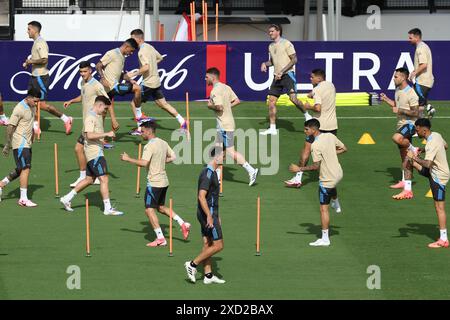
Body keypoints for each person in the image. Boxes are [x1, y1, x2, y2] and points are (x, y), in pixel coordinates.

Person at [120, 119, 191, 247]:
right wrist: (159, 162)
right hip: (164, 181)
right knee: (161, 208)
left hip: (154, 183)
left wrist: (128, 159)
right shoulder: (163, 142)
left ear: (148, 131)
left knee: (149, 210)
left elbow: (143, 163)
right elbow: (173, 157)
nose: (141, 134)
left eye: (142, 131)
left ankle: (160, 238)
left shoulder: (149, 146)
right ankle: (183, 223)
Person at [60, 96, 123, 216]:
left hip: (95, 151)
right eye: (104, 108)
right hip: (95, 154)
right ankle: (107, 208)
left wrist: (102, 141)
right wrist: (107, 133)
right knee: (104, 179)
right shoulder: (90, 117)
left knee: (89, 179)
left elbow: (94, 134)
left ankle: (67, 198)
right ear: (99, 105)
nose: (105, 111)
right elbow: (88, 135)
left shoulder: (96, 116)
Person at [289, 119, 347, 246]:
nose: (305, 132)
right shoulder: (330, 136)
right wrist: (330, 153)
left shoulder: (315, 145)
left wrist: (299, 169)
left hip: (327, 179)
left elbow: (315, 166)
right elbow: (344, 148)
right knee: (333, 185)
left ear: (313, 130)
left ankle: (325, 239)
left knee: (323, 210)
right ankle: (336, 202)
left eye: (306, 129)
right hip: (338, 173)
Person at [64, 61, 118, 187]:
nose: (82, 74)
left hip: (94, 124)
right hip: (86, 124)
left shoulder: (96, 85)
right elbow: (83, 97)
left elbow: (107, 101)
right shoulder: (83, 83)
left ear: (90, 71)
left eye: (84, 71)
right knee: (84, 149)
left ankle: (89, 177)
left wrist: (113, 120)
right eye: (80, 72)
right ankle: (93, 176)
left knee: (82, 149)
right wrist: (71, 101)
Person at [205, 67, 258, 186]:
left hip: (224, 126)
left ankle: (251, 170)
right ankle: (217, 180)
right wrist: (227, 107)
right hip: (225, 124)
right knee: (219, 152)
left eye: (207, 77)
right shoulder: (226, 87)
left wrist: (210, 106)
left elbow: (219, 107)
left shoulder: (215, 91)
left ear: (213, 77)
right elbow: (237, 101)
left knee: (230, 152)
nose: (205, 79)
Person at [128, 29, 187, 135]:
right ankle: (182, 122)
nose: (131, 42)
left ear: (138, 39)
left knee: (134, 103)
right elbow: (160, 58)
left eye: (132, 39)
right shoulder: (150, 47)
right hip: (156, 81)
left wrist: (132, 74)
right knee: (163, 104)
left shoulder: (142, 51)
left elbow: (146, 67)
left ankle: (140, 129)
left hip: (148, 83)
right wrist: (152, 64)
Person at [285, 69, 338, 188]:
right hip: (333, 126)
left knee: (306, 150)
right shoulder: (331, 85)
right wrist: (311, 93)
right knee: (329, 152)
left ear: (319, 79)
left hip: (318, 127)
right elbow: (321, 94)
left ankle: (298, 177)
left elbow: (318, 108)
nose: (310, 78)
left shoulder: (317, 90)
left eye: (312, 77)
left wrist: (308, 106)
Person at [259, 24, 311, 136]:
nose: (270, 33)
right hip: (276, 77)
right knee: (271, 102)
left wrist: (282, 71)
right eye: (269, 32)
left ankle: (306, 115)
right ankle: (272, 128)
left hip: (287, 75)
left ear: (278, 31)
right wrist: (265, 64)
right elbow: (272, 61)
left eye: (272, 31)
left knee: (293, 99)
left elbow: (294, 59)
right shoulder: (271, 46)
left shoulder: (287, 43)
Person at [23, 21, 73, 135]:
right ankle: (36, 127)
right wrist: (28, 63)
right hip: (35, 76)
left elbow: (44, 59)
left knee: (42, 104)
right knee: (30, 101)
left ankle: (66, 119)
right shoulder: (36, 42)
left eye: (29, 29)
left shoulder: (41, 42)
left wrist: (31, 61)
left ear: (35, 30)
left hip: (40, 77)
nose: (27, 31)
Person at [185, 147, 226, 284]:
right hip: (207, 213)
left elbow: (212, 197)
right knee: (219, 245)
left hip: (209, 213)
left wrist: (216, 215)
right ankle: (192, 264)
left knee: (207, 243)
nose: (224, 159)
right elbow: (201, 196)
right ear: (216, 157)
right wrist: (210, 215)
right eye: (223, 156)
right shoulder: (207, 173)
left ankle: (208, 276)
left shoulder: (213, 172)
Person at [406, 118, 449, 248]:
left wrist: (415, 157)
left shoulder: (432, 143)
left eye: (417, 129)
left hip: (438, 176)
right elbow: (445, 146)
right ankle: (407, 189)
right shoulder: (436, 135)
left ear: (424, 129)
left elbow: (427, 163)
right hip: (433, 171)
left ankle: (444, 239)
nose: (416, 132)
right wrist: (422, 150)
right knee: (411, 162)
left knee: (439, 207)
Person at [380, 67, 421, 200]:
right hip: (400, 124)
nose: (394, 78)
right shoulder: (398, 90)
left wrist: (400, 110)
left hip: (410, 125)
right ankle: (406, 186)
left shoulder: (411, 93)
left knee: (396, 138)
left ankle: (413, 148)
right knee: (405, 158)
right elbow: (396, 106)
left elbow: (416, 113)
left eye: (396, 76)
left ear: (403, 78)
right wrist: (387, 100)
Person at [0, 88, 41, 207]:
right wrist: (8, 145)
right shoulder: (19, 109)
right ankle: (23, 199)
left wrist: (32, 135)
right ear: (28, 98)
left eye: (38, 101)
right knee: (26, 168)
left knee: (20, 169)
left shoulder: (32, 106)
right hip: (20, 143)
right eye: (35, 101)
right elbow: (10, 127)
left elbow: (30, 122)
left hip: (27, 143)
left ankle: (1, 184)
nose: (37, 104)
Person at [95, 38, 144, 128]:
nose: (131, 53)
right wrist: (103, 78)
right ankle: (139, 114)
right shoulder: (112, 53)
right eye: (131, 50)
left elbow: (120, 75)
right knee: (137, 88)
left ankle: (100, 137)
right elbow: (98, 65)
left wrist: (130, 80)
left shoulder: (122, 57)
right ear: (126, 46)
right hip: (113, 87)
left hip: (111, 89)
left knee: (103, 113)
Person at [408, 28, 436, 118]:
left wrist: (414, 73)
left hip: (423, 81)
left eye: (410, 38)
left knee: (417, 107)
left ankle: (421, 125)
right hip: (423, 81)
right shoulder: (423, 46)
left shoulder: (421, 48)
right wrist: (414, 72)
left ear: (417, 37)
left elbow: (424, 65)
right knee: (415, 101)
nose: (409, 40)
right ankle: (428, 108)